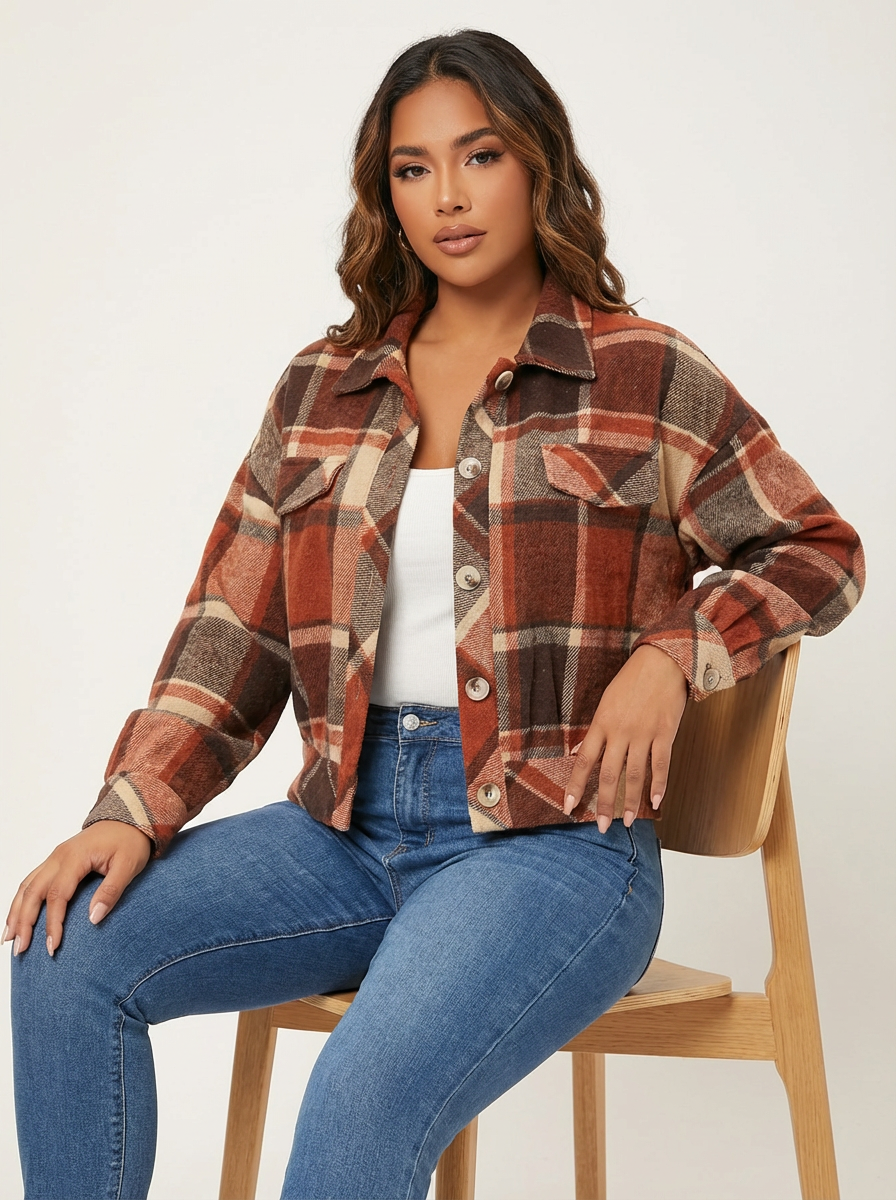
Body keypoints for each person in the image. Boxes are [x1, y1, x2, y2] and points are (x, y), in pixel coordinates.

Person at [5, 29, 864, 1200]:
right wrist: (132, 810)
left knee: (361, 1094)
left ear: (537, 165)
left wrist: (675, 654)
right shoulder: (323, 388)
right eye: (413, 169)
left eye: (480, 156)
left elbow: (816, 549)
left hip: (555, 845)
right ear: (385, 194)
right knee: (65, 952)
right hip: (339, 832)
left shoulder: (643, 373)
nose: (448, 197)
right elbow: (231, 631)